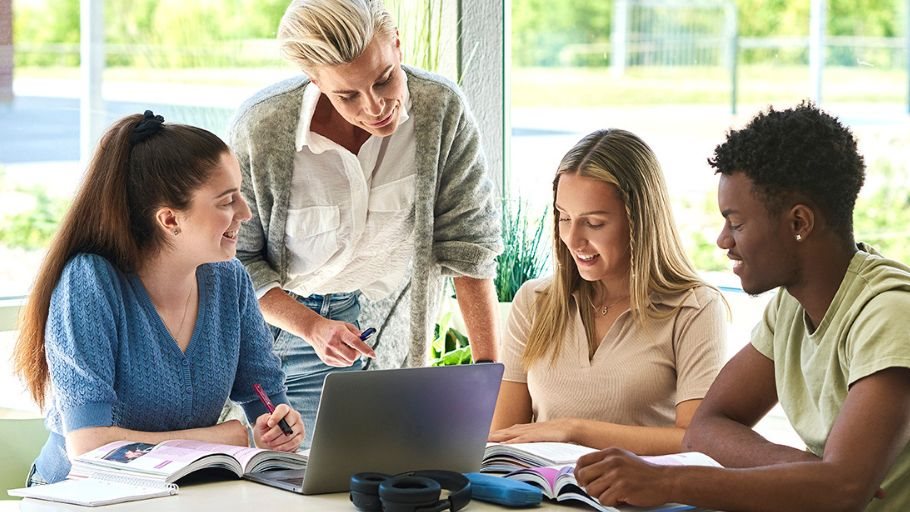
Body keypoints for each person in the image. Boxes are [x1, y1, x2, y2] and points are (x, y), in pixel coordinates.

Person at [574, 103, 910, 511]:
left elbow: (842, 492)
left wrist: (669, 481)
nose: (722, 240)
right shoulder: (791, 304)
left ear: (799, 223)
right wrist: (806, 470)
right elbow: (706, 427)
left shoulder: (890, 313)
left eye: (735, 223)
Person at [229, 0, 501, 447]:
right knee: (297, 483)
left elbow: (469, 247)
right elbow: (235, 258)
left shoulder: (440, 110)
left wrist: (487, 378)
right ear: (314, 81)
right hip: (283, 336)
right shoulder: (262, 128)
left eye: (385, 79)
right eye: (347, 95)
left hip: (390, 332)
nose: (375, 107)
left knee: (386, 474)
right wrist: (313, 326)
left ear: (397, 45)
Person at [14, 111, 304, 486]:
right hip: (83, 495)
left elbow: (266, 402)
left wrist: (277, 429)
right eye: (226, 201)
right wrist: (221, 438)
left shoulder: (230, 280)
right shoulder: (89, 284)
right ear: (169, 220)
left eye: (241, 196)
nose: (246, 213)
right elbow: (88, 446)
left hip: (186, 493)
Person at [489, 129, 727, 454]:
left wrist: (575, 430)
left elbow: (696, 440)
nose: (572, 239)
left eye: (595, 223)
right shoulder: (534, 302)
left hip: (639, 501)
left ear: (640, 221)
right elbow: (504, 439)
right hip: (547, 496)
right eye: (564, 218)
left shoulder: (695, 307)